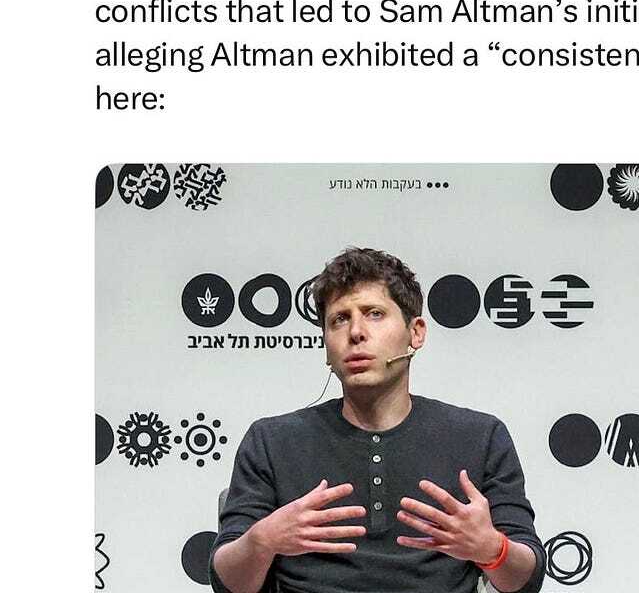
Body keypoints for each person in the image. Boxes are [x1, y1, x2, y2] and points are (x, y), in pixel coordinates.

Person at [210, 248, 545, 593]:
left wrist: (493, 550)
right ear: (326, 344)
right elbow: (228, 584)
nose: (356, 332)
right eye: (339, 319)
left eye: (374, 314)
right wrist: (261, 541)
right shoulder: (271, 441)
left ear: (416, 333)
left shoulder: (480, 437)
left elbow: (525, 580)